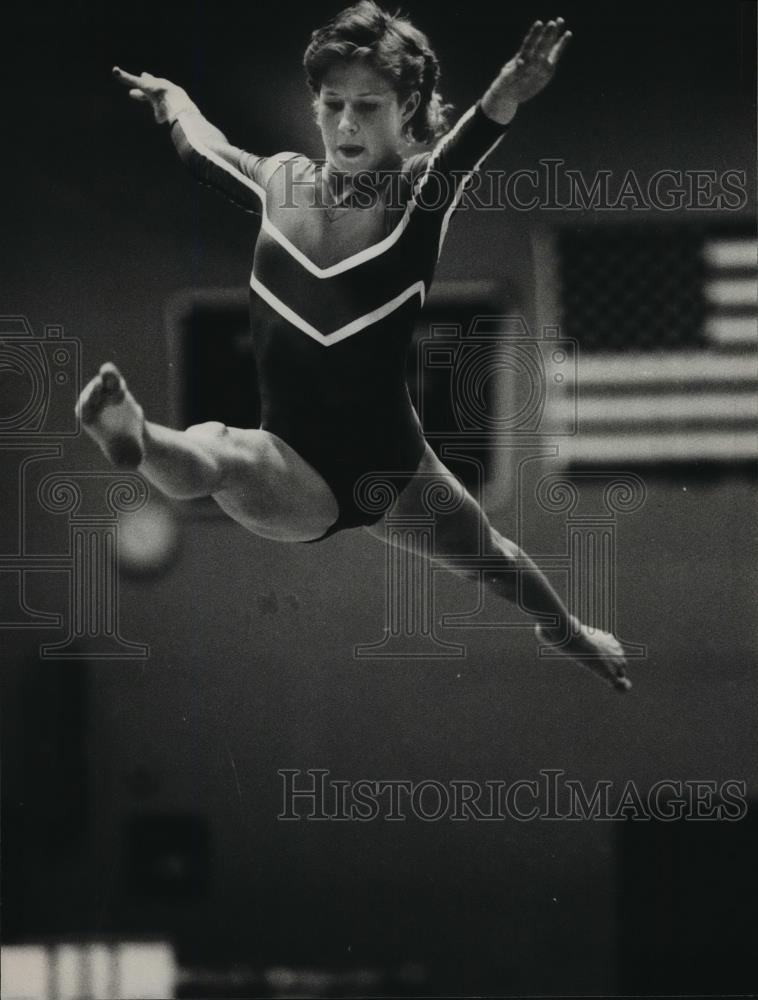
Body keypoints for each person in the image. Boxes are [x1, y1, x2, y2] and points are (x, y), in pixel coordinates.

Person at [76, 3, 632, 691]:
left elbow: (465, 149)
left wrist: (505, 95)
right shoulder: (280, 182)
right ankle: (136, 436)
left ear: (407, 109)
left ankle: (573, 634)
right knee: (219, 447)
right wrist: (177, 103)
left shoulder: (415, 198)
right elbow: (204, 151)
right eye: (332, 104)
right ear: (314, 106)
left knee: (494, 556)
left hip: (398, 469)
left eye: (367, 107)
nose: (345, 124)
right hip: (296, 471)